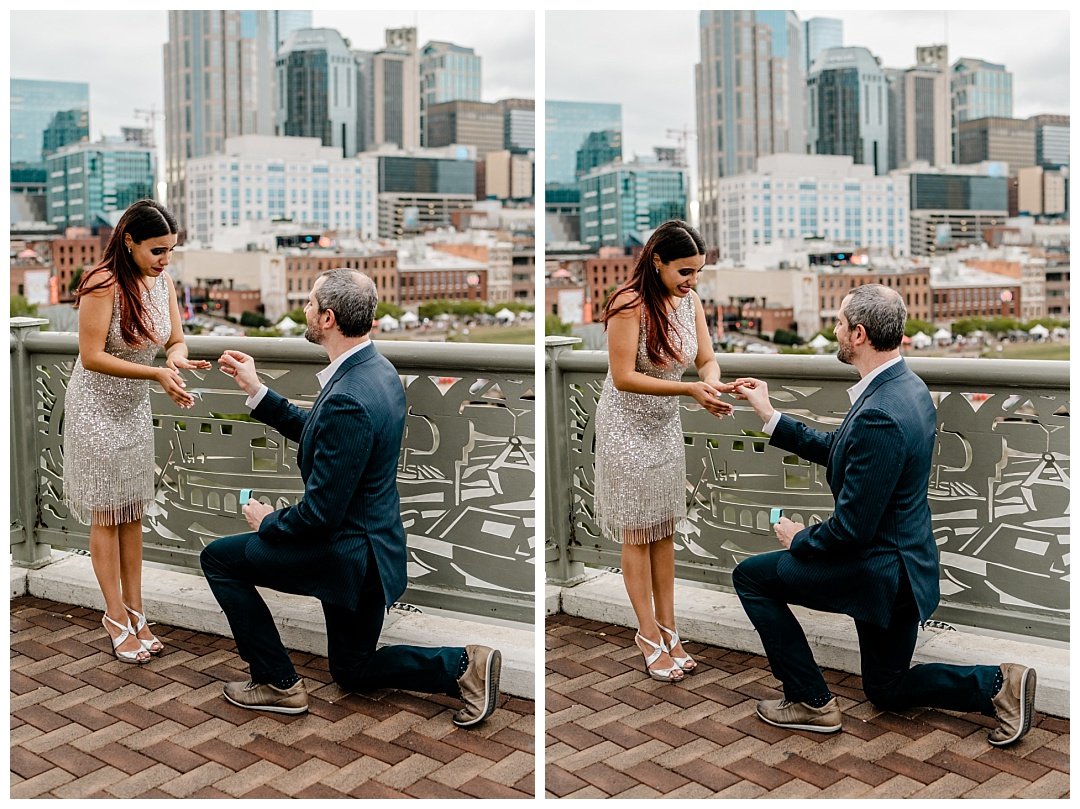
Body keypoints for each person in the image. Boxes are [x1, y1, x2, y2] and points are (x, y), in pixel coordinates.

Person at [731, 284, 1036, 746]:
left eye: (837, 323)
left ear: (858, 333)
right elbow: (843, 449)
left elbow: (852, 528)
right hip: (904, 565)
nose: (832, 330)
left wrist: (798, 539)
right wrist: (771, 416)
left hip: (878, 572)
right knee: (886, 688)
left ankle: (810, 702)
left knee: (751, 578)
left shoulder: (880, 412)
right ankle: (997, 685)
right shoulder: (907, 387)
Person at [202, 269, 501, 726]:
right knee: (352, 670)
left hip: (344, 555)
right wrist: (257, 391)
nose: (302, 309)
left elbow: (320, 514)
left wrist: (267, 522)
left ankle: (277, 683)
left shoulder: (348, 395)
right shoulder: (377, 371)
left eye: (308, 302)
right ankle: (463, 666)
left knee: (220, 560)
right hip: (372, 549)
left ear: (326, 317)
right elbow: (327, 437)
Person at [63, 199, 212, 664]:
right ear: (128, 242)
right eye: (157, 250)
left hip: (131, 409)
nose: (165, 260)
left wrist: (175, 359)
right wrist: (155, 377)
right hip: (95, 407)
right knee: (106, 515)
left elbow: (174, 338)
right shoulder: (101, 283)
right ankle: (114, 616)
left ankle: (137, 610)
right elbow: (91, 356)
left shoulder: (161, 281)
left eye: (170, 250)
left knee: (132, 513)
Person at [594, 220, 734, 683]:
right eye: (684, 271)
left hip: (664, 425)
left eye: (698, 271)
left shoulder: (690, 301)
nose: (692, 280)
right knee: (637, 532)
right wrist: (690, 391)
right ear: (657, 262)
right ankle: (647, 635)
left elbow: (706, 358)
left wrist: (711, 384)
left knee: (664, 529)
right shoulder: (628, 304)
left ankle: (671, 629)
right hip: (626, 426)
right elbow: (623, 377)